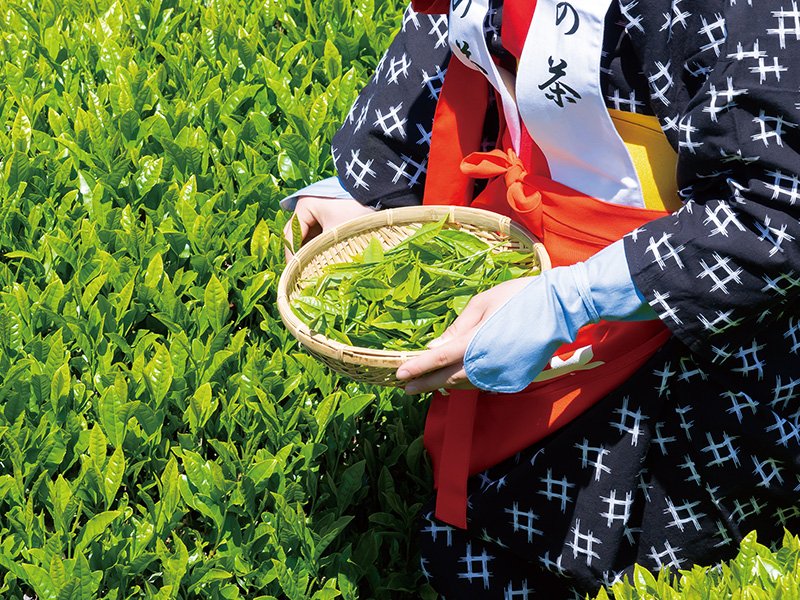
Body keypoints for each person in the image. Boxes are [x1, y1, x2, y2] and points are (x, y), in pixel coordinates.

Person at [282, 0, 800, 596]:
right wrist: (366, 184)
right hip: (521, 233)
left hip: (680, 297)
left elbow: (776, 207)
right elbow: (459, 33)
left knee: (601, 546)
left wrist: (575, 299)